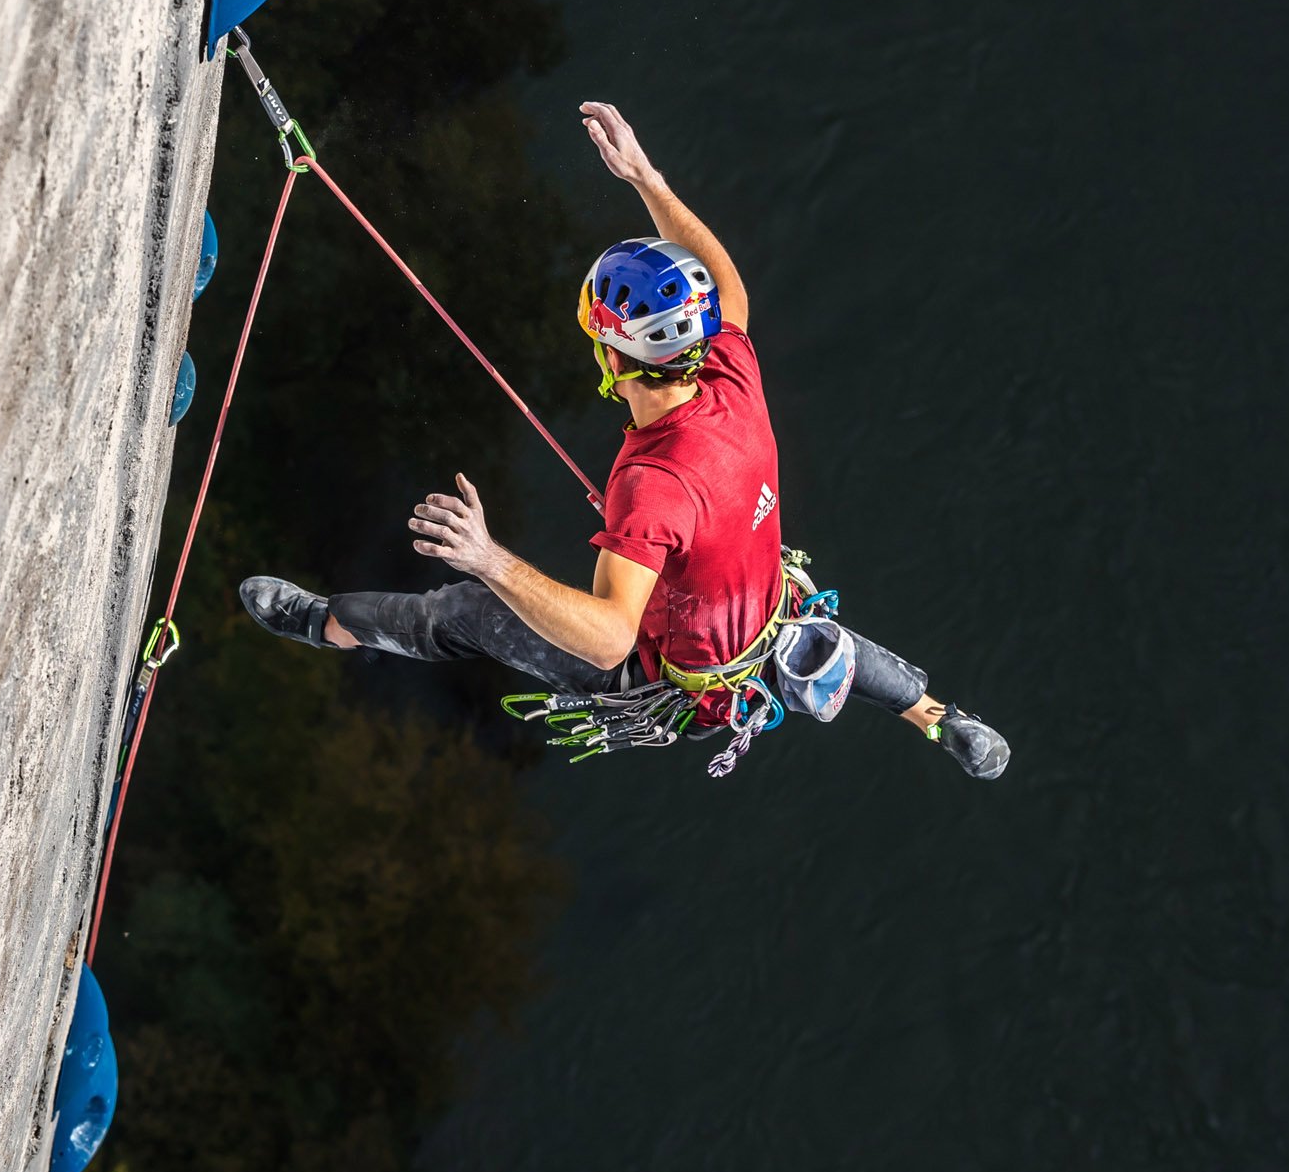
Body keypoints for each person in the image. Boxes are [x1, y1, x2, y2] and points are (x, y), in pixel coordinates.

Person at [241, 101, 1010, 779]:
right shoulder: (730, 375)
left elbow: (610, 640)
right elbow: (727, 285)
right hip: (764, 611)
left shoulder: (654, 487)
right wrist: (647, 178)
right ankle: (939, 718)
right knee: (814, 636)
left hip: (668, 675)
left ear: (614, 359)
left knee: (466, 612)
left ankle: (325, 625)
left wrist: (488, 558)